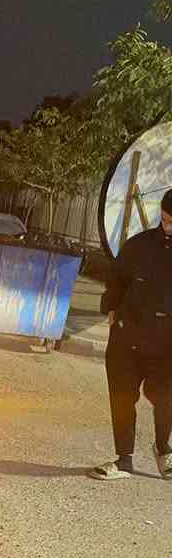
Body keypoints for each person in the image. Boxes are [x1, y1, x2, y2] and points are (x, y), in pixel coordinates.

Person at [90, 189, 172, 480]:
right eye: (165, 219)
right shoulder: (139, 245)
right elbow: (117, 279)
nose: (167, 227)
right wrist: (111, 308)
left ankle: (164, 450)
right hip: (129, 334)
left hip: (167, 341)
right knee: (123, 395)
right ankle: (124, 459)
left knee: (166, 397)